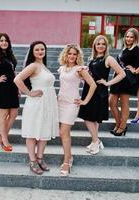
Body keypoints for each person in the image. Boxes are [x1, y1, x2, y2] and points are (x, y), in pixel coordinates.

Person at [14, 41, 58, 175]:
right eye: (37, 49)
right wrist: (29, 93)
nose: (40, 51)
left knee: (44, 132)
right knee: (33, 132)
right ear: (32, 52)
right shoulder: (33, 65)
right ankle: (32, 161)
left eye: (42, 49)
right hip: (37, 103)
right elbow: (17, 80)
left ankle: (40, 158)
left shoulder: (43, 65)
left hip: (48, 103)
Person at [78, 35, 125, 152]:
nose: (100, 46)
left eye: (103, 44)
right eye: (98, 44)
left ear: (106, 46)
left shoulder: (108, 58)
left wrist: (108, 83)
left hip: (99, 92)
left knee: (87, 117)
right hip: (88, 90)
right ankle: (95, 142)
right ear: (94, 45)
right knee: (92, 118)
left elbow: (122, 73)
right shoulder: (92, 58)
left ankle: (96, 141)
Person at [57, 44, 97, 176]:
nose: (72, 56)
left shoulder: (79, 69)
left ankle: (66, 161)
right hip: (60, 102)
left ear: (78, 56)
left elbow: (93, 85)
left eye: (74, 54)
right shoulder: (62, 69)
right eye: (70, 53)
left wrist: (84, 101)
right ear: (66, 54)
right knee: (62, 133)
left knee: (64, 132)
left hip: (72, 104)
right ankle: (69, 156)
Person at [109, 28, 139, 136]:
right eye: (127, 36)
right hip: (118, 78)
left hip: (127, 80)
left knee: (124, 104)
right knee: (111, 102)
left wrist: (136, 71)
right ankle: (119, 124)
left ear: (135, 38)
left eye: (131, 37)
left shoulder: (135, 49)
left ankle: (122, 127)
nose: (129, 38)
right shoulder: (124, 48)